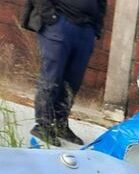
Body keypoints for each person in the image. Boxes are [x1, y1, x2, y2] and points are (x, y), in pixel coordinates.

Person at [22, 0, 107, 147]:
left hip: (86, 29)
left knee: (73, 82)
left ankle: (60, 125)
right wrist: (50, 16)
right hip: (59, 22)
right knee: (51, 79)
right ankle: (43, 126)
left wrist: (96, 28)